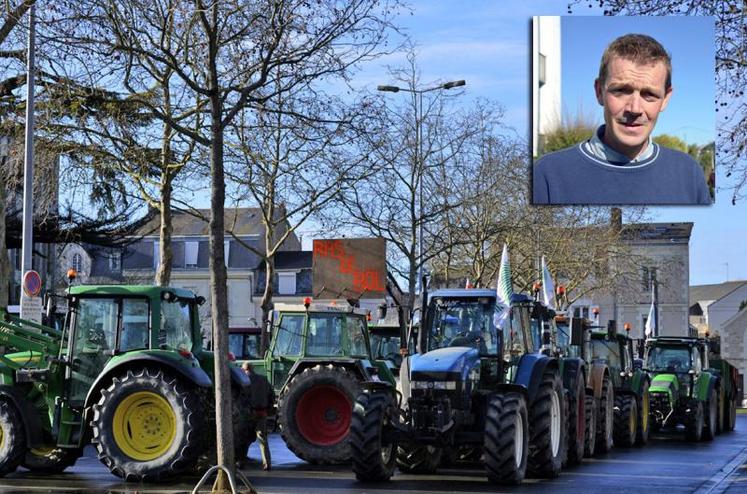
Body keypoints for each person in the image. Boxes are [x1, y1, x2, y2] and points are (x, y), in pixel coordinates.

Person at [533, 33, 712, 205]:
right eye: (621, 91)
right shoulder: (547, 176)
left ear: (665, 98)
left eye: (649, 94)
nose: (634, 108)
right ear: (599, 92)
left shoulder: (688, 173)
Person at [240, 361, 275, 471]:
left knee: (244, 439)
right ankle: (267, 463)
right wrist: (268, 409)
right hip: (262, 412)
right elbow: (272, 395)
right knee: (263, 440)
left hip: (249, 413)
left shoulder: (244, 381)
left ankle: (241, 462)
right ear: (253, 368)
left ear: (245, 369)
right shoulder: (263, 379)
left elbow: (242, 397)